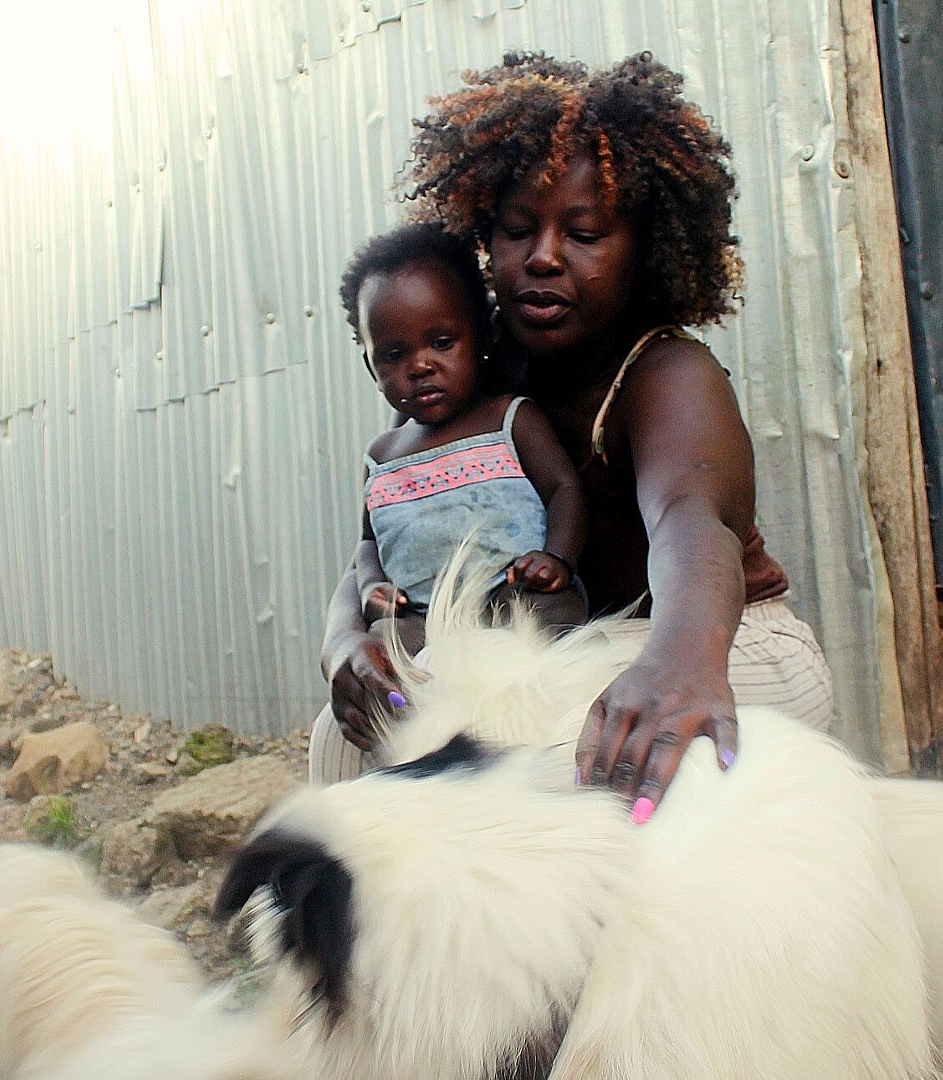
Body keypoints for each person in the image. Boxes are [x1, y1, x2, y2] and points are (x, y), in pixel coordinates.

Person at [311, 52, 835, 812]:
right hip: (582, 650)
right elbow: (383, 527)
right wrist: (343, 646)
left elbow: (692, 522)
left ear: (643, 247)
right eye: (518, 229)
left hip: (720, 646)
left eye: (585, 232)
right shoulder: (467, 377)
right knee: (349, 734)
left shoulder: (665, 372)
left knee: (519, 721)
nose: (545, 256)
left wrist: (680, 660)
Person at [339, 222, 588, 658]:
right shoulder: (382, 455)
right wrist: (371, 585)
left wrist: (558, 559)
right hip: (424, 617)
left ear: (484, 335)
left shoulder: (510, 418)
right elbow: (368, 541)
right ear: (370, 366)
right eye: (395, 355)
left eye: (441, 342)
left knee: (549, 615)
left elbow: (565, 489)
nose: (421, 366)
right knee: (385, 648)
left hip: (513, 595)